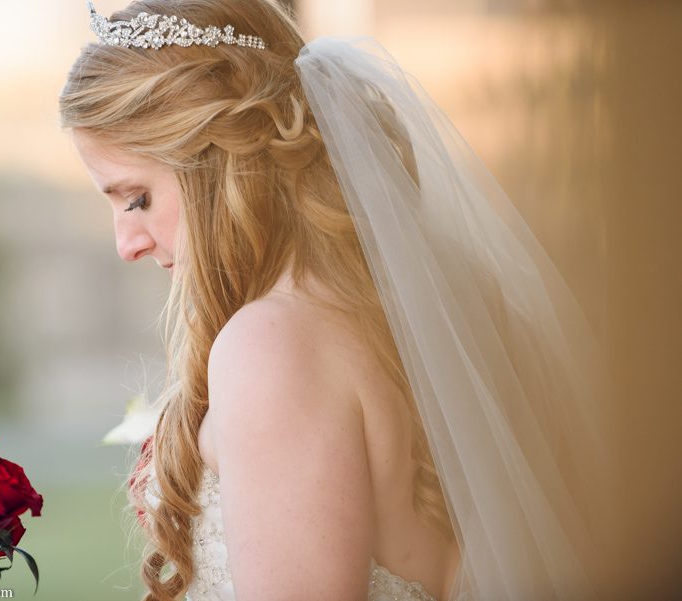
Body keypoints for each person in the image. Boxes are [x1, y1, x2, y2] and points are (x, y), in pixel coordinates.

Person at [60, 1, 618, 600]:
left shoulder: (270, 349)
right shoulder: (410, 315)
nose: (126, 244)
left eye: (136, 198)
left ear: (217, 162)